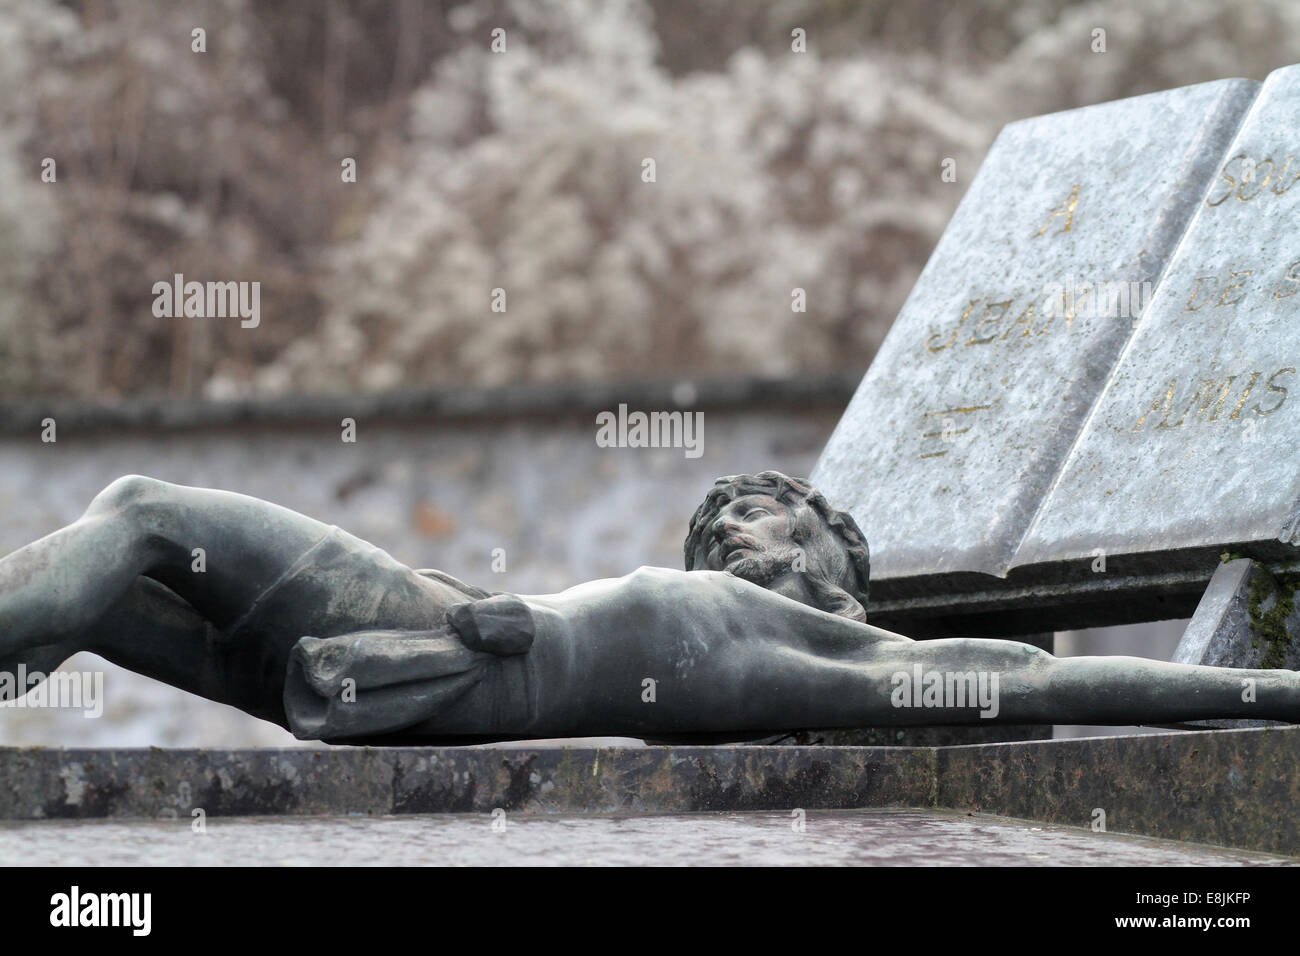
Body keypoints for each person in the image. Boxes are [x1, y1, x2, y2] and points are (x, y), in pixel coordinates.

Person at [0, 472, 1295, 743]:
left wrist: (1278, 694)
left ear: (842, 561)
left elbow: (1056, 686)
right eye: (720, 522)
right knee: (107, 600)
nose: (739, 526)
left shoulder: (836, 658)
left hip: (447, 651)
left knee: (144, 510)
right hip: (427, 638)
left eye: (775, 513)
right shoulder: (731, 624)